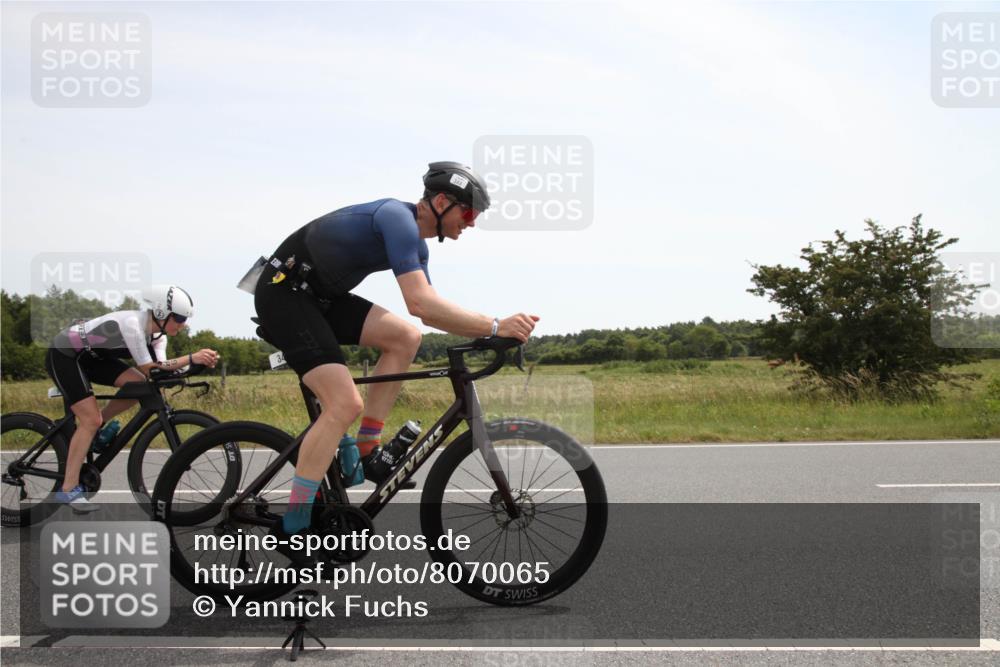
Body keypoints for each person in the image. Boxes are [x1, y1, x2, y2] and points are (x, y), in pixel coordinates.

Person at [254, 161, 538, 550]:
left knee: (405, 337)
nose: (470, 223)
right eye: (468, 212)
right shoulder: (397, 219)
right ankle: (295, 523)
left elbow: (430, 311)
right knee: (343, 403)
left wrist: (489, 331)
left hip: (318, 298)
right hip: (285, 293)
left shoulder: (416, 244)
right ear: (440, 201)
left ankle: (369, 448)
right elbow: (420, 302)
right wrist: (493, 326)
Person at [45, 284, 219, 513]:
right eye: (178, 317)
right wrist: (190, 357)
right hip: (66, 354)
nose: (183, 324)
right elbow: (149, 368)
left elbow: (162, 372)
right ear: (160, 313)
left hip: (93, 358)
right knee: (89, 420)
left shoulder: (158, 337)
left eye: (185, 319)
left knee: (138, 387)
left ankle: (98, 425)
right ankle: (68, 489)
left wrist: (196, 365)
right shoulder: (132, 325)